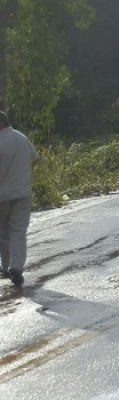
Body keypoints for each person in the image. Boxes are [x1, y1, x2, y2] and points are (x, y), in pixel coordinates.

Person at [0, 110, 38, 288]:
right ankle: (16, 267)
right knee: (18, 231)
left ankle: (5, 266)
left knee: (3, 233)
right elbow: (34, 159)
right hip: (22, 193)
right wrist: (23, 176)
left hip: (2, 195)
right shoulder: (21, 138)